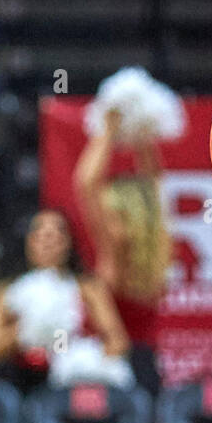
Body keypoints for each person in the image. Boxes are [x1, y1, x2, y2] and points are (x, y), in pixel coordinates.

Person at [0, 209, 131, 390]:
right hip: (24, 382)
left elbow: (117, 342)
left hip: (75, 383)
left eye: (56, 235)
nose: (48, 241)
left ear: (68, 243)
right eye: (40, 235)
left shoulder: (88, 288)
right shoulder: (9, 291)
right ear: (28, 242)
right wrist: (27, 329)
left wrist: (83, 357)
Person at [72, 109, 170, 394]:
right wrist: (141, 133)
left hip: (112, 379)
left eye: (111, 215)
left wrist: (108, 131)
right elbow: (154, 184)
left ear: (131, 223)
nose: (101, 219)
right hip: (149, 373)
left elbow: (85, 183)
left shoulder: (109, 265)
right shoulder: (155, 264)